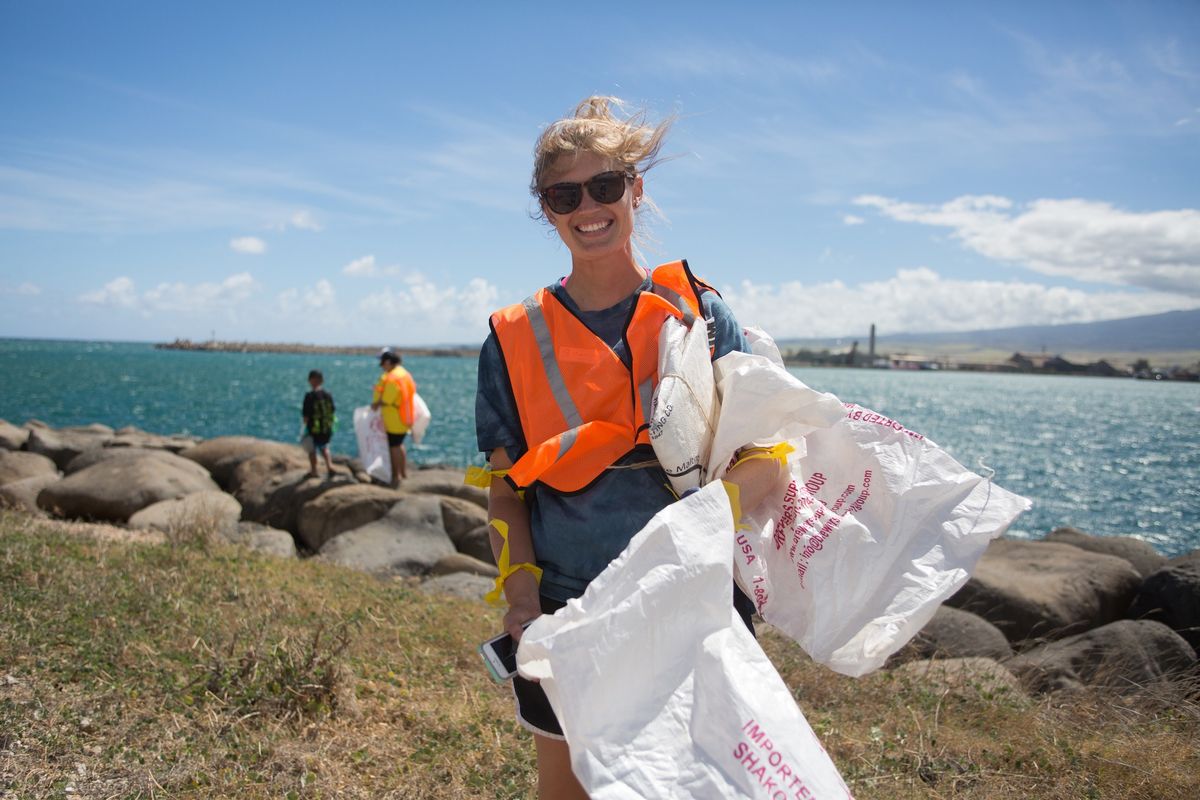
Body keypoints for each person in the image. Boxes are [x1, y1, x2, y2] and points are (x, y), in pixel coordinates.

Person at [474, 96, 777, 799]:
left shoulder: (699, 311)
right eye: (565, 194)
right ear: (545, 209)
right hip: (568, 611)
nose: (589, 207)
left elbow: (765, 463)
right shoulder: (511, 338)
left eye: (607, 186)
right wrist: (522, 602)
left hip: (697, 605)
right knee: (568, 787)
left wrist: (690, 532)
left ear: (637, 190)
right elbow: (504, 489)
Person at [372, 347, 416, 488]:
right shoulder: (405, 374)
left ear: (389, 362)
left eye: (383, 363)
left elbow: (388, 399)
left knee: (394, 447)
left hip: (394, 418)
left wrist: (376, 403)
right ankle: (403, 473)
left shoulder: (392, 377)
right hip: (405, 416)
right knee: (399, 445)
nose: (382, 367)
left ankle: (396, 476)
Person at [301, 369, 336, 478]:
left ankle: (314, 471)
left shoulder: (309, 396)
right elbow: (333, 410)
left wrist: (305, 427)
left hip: (313, 428)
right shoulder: (327, 395)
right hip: (326, 428)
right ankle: (329, 466)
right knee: (325, 447)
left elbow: (305, 415)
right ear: (322, 381)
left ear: (310, 380)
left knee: (312, 450)